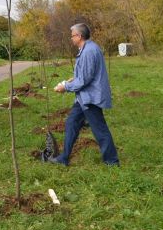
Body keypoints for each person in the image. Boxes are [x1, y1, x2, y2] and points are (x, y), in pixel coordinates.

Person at [50, 23, 119, 166]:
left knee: (100, 130)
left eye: (72, 36)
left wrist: (65, 87)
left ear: (79, 36)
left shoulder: (88, 51)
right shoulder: (87, 49)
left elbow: (85, 80)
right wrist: (72, 79)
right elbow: (85, 74)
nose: (71, 39)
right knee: (71, 122)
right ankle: (64, 158)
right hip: (84, 98)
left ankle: (112, 162)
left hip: (90, 98)